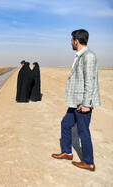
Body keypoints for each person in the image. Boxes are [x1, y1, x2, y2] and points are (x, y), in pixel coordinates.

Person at [52, 29, 101, 171]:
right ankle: (67, 152)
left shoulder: (89, 56)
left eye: (71, 40)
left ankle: (89, 162)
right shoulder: (80, 55)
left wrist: (87, 104)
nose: (71, 42)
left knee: (83, 132)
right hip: (75, 102)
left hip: (82, 103)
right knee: (65, 124)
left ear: (76, 41)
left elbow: (90, 82)